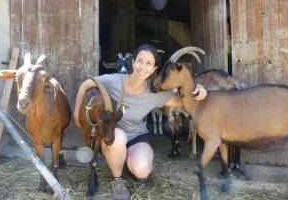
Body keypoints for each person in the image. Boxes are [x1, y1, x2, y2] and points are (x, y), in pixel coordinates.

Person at [74, 44, 207, 200]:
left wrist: (199, 88)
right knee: (118, 137)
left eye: (149, 63)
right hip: (114, 137)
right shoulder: (114, 81)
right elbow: (85, 85)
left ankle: (124, 160)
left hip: (138, 136)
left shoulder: (154, 92)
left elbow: (181, 102)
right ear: (133, 62)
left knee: (142, 170)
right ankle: (117, 180)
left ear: (154, 68)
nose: (143, 67)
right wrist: (77, 113)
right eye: (140, 61)